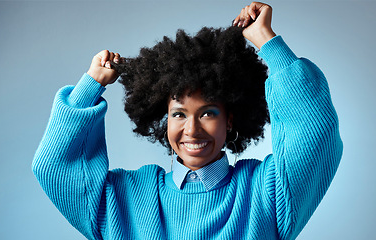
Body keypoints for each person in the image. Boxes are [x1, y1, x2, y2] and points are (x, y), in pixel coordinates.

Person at [32, 2, 343, 239]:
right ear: (163, 119)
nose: (191, 129)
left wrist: (267, 41)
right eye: (178, 114)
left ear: (230, 120)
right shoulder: (124, 198)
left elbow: (316, 134)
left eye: (208, 112)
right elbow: (55, 167)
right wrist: (91, 84)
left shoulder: (267, 191)